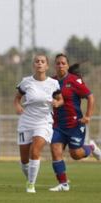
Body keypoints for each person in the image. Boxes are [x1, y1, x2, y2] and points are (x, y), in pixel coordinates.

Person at [48, 53, 101, 192]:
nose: (60, 65)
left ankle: (91, 148)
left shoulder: (75, 81)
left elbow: (90, 97)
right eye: (58, 63)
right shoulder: (51, 81)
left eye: (63, 63)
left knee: (76, 155)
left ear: (67, 65)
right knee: (55, 150)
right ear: (55, 65)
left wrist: (88, 116)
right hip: (58, 125)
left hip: (75, 124)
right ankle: (63, 184)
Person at [14, 54, 64, 193]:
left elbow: (61, 99)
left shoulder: (53, 83)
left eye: (42, 62)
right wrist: (18, 106)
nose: (40, 64)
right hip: (26, 121)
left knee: (35, 151)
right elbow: (17, 98)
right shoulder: (26, 82)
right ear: (34, 65)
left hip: (44, 122)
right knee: (24, 160)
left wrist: (57, 103)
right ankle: (30, 177)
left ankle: (31, 185)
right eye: (37, 61)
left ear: (47, 66)